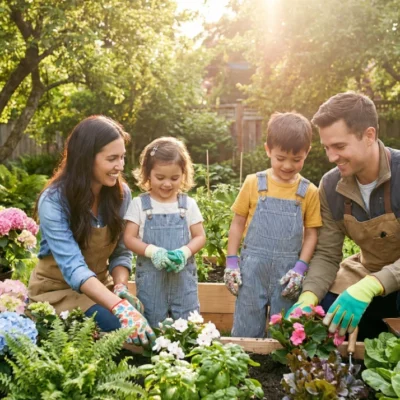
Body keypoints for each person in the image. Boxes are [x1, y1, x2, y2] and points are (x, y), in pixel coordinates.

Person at [28, 116, 155, 347]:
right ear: (86, 159)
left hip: (99, 286)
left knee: (147, 321)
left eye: (122, 157)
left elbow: (121, 252)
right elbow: (73, 267)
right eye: (112, 158)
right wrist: (117, 307)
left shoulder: (120, 194)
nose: (120, 166)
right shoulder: (54, 200)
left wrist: (120, 288)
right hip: (57, 292)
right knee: (121, 329)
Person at [288, 92, 400, 341]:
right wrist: (309, 296)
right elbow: (327, 254)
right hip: (368, 269)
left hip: (389, 279)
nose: (331, 157)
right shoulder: (330, 186)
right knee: (326, 306)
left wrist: (372, 285)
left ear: (369, 135)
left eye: (339, 146)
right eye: (327, 147)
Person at [225, 112, 322, 338]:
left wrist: (300, 268)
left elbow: (311, 234)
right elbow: (238, 223)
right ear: (268, 149)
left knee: (284, 330)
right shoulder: (254, 183)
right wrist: (231, 261)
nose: (288, 165)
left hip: (287, 273)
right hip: (252, 270)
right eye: (280, 158)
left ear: (307, 152)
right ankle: (245, 364)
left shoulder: (309, 191)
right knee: (245, 327)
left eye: (296, 159)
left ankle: (279, 370)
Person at [123, 137, 206, 327]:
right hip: (152, 281)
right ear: (147, 175)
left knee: (188, 324)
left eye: (174, 178)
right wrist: (153, 252)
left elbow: (200, 236)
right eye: (160, 178)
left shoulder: (188, 205)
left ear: (183, 175)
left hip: (182, 280)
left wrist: (183, 253)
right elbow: (128, 238)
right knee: (153, 319)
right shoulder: (140, 205)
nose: (167, 184)